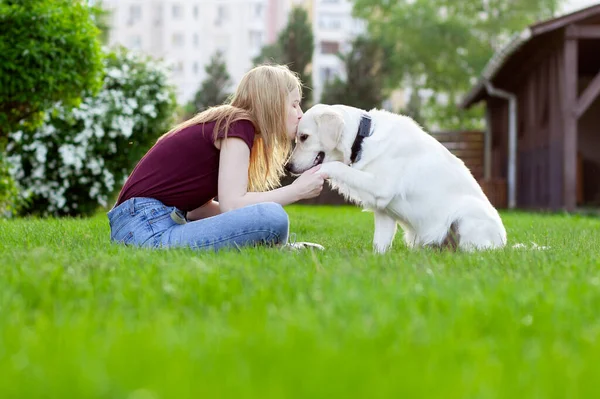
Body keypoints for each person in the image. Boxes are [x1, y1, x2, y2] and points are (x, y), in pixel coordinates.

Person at [106, 64, 326, 251]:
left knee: (264, 215)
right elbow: (232, 205)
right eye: (294, 104)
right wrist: (296, 191)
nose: (300, 114)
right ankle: (280, 250)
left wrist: (248, 218)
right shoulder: (238, 124)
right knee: (273, 217)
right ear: (272, 103)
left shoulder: (229, 123)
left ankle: (274, 249)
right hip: (146, 226)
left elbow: (198, 209)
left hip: (138, 225)